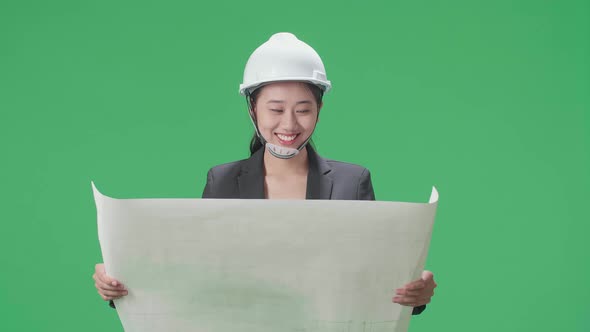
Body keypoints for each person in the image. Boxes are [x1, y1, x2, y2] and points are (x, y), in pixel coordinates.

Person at [93, 32, 437, 316]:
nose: (289, 124)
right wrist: (118, 282)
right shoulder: (223, 181)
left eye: (303, 110)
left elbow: (374, 273)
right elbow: (194, 269)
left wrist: (415, 290)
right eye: (275, 109)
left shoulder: (352, 181)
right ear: (252, 108)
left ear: (319, 109)